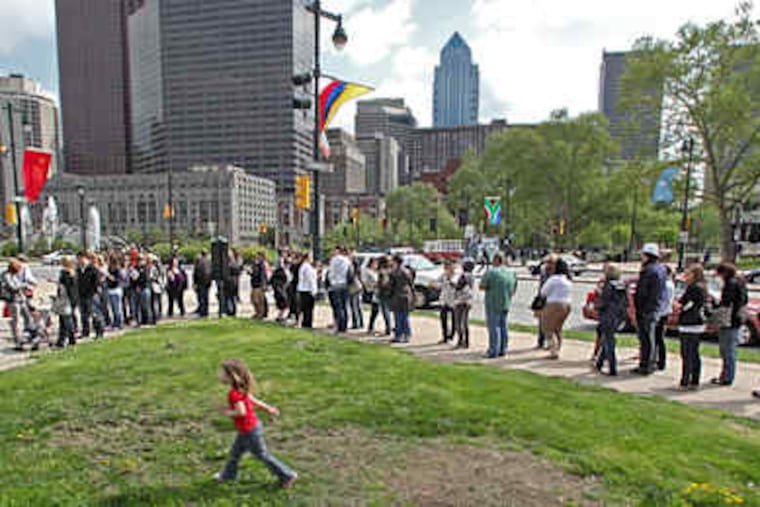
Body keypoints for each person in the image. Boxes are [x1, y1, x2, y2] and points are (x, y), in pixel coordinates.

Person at [214, 359, 297, 488]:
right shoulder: (241, 389)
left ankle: (286, 475)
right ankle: (227, 475)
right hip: (249, 428)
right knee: (234, 454)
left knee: (261, 455)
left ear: (232, 376)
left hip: (249, 431)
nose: (219, 375)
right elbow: (252, 400)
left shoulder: (234, 394)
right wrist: (268, 408)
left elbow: (240, 412)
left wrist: (225, 412)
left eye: (222, 373)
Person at [633, 243, 667, 375]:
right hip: (655, 307)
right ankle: (651, 363)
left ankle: (645, 365)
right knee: (652, 338)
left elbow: (642, 292)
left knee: (646, 339)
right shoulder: (661, 269)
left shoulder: (648, 271)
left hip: (646, 308)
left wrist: (638, 307)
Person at [713, 262, 748, 386]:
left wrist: (716, 304)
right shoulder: (740, 283)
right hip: (737, 319)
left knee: (727, 350)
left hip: (729, 320)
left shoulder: (731, 285)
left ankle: (727, 377)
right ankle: (726, 375)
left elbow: (726, 303)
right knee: (730, 349)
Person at [480, 253, 517, 358]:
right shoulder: (511, 273)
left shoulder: (491, 272)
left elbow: (482, 286)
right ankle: (503, 349)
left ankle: (493, 350)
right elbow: (514, 288)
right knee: (503, 327)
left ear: (496, 260)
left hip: (493, 302)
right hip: (505, 302)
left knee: (494, 328)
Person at [677, 264, 706, 391]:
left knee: (687, 353)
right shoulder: (703, 287)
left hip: (689, 323)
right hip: (698, 322)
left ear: (693, 275)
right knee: (694, 353)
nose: (685, 277)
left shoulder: (693, 288)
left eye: (687, 274)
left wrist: (677, 305)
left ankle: (685, 381)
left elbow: (684, 304)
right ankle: (695, 380)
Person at [594, 264, 627, 376]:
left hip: (608, 314)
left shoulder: (608, 286)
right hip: (618, 315)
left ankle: (612, 367)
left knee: (609, 341)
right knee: (607, 339)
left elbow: (604, 302)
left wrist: (598, 298)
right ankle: (599, 363)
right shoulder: (621, 285)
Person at [540, 257, 572, 360]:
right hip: (566, 305)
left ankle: (553, 351)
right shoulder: (567, 280)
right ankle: (558, 348)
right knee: (558, 328)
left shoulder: (553, 279)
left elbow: (543, 292)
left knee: (547, 328)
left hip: (553, 304)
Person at [3, 259, 30, 350]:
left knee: (28, 318)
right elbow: (13, 287)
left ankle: (27, 336)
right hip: (13, 301)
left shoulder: (14, 275)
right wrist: (24, 285)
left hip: (21, 300)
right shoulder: (6, 275)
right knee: (16, 322)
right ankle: (17, 342)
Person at [388, 254, 414, 343]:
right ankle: (407, 334)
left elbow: (391, 286)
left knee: (398, 316)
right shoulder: (407, 271)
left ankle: (399, 335)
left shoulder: (394, 272)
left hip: (397, 295)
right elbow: (411, 283)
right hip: (406, 294)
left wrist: (388, 294)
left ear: (395, 261)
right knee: (405, 316)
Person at [654, 265, 676, 371]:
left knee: (657, 338)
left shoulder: (666, 285)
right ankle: (659, 360)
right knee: (658, 338)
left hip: (661, 313)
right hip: (665, 313)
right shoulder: (670, 284)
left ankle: (659, 361)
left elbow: (661, 301)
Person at [53, 257, 78, 348]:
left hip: (67, 299)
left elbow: (68, 286)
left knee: (66, 319)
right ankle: (61, 340)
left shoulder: (69, 273)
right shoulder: (69, 272)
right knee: (63, 320)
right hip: (66, 298)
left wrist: (59, 283)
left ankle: (71, 338)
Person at [363, 257, 391, 337]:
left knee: (383, 311)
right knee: (377, 311)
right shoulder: (385, 271)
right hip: (379, 293)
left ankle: (387, 328)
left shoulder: (382, 272)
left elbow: (381, 283)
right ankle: (372, 327)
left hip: (380, 294)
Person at [327, 246, 351, 333]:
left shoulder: (334, 260)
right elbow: (350, 272)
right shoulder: (346, 260)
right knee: (345, 306)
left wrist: (331, 281)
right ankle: (345, 326)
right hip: (345, 284)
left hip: (336, 285)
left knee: (338, 307)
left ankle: (340, 326)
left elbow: (331, 273)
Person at [453, 258, 475, 349]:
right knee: (465, 322)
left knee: (458, 322)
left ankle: (460, 341)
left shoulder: (463, 276)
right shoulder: (472, 276)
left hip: (461, 300)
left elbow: (458, 287)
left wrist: (453, 285)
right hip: (468, 300)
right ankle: (466, 342)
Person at [77, 252, 99, 338]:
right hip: (81, 295)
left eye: (80, 258)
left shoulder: (92, 269)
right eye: (78, 259)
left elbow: (96, 282)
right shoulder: (79, 269)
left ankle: (98, 330)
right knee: (83, 315)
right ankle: (85, 332)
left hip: (91, 295)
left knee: (94, 314)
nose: (79, 260)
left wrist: (92, 292)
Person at [436, 260, 457, 344]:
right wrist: (436, 285)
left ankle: (452, 335)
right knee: (443, 318)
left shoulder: (457, 275)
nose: (446, 269)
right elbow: (438, 283)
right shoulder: (443, 275)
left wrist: (450, 280)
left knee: (454, 319)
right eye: (445, 267)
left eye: (448, 266)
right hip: (444, 299)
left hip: (454, 300)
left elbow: (456, 285)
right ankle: (445, 336)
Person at [297, 254, 318, 329]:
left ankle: (305, 323)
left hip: (302, 289)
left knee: (305, 308)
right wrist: (313, 290)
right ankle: (307, 323)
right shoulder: (307, 267)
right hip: (307, 289)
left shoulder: (303, 266)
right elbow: (310, 279)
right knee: (308, 308)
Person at [105, 253, 125, 330]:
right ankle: (115, 323)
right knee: (113, 308)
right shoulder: (109, 269)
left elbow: (118, 280)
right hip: (110, 290)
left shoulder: (118, 269)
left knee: (118, 308)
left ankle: (120, 323)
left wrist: (110, 277)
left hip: (116, 290)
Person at [270, 257, 291, 323]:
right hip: (280, 290)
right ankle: (280, 317)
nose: (288, 265)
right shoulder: (279, 271)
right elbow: (273, 280)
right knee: (283, 304)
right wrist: (277, 288)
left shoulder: (289, 271)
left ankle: (281, 316)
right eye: (287, 263)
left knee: (285, 304)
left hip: (287, 289)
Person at [249, 252, 268, 320]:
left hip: (259, 285)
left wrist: (264, 285)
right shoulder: (256, 265)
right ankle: (257, 313)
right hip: (254, 285)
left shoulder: (262, 265)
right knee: (253, 300)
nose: (256, 257)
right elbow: (255, 274)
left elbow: (263, 275)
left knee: (259, 301)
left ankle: (260, 314)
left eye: (258, 256)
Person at [193, 250, 212, 318]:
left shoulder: (199, 262)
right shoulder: (209, 262)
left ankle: (202, 312)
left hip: (201, 282)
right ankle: (206, 312)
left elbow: (196, 273)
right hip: (207, 282)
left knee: (201, 298)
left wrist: (195, 282)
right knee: (206, 297)